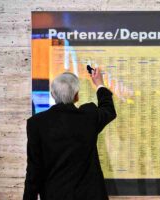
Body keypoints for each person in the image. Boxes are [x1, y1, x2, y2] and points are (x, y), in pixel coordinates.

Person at [23, 68, 117, 200]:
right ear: (76, 95)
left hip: (55, 195)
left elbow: (34, 169)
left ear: (52, 94)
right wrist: (99, 84)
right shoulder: (88, 116)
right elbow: (108, 109)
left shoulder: (36, 123)